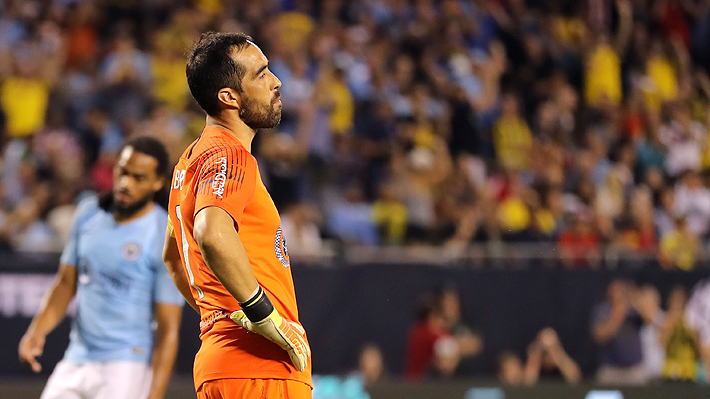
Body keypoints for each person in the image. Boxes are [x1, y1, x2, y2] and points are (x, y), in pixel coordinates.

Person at [162, 32, 312, 399]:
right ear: (229, 97)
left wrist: (221, 315)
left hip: (221, 363)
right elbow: (210, 233)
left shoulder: (190, 161)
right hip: (259, 370)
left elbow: (173, 258)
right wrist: (263, 316)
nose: (275, 81)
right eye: (260, 74)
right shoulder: (230, 156)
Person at [18, 137, 185, 399]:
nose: (126, 183)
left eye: (138, 178)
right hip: (76, 358)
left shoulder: (164, 234)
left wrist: (155, 393)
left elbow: (168, 328)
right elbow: (65, 283)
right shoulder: (88, 213)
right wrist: (36, 331)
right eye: (123, 172)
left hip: (127, 364)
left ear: (158, 182)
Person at [591, 279, 646, 385]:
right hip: (611, 371)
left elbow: (650, 318)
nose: (619, 294)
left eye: (622, 290)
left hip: (634, 370)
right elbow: (599, 336)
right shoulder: (603, 310)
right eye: (616, 290)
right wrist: (619, 311)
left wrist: (634, 300)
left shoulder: (634, 310)